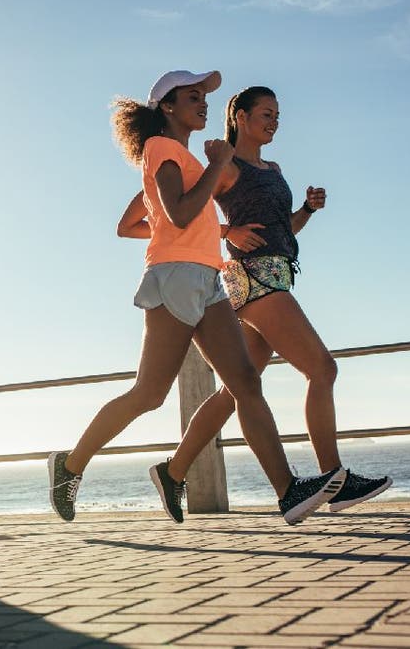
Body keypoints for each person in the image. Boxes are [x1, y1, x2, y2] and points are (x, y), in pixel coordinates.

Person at [47, 70, 346, 526]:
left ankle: (288, 491)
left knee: (245, 382)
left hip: (209, 278)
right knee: (149, 394)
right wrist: (215, 166)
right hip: (174, 277)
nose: (204, 103)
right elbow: (181, 214)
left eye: (205, 96)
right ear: (167, 107)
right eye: (193, 97)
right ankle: (69, 465)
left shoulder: (184, 157)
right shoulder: (161, 150)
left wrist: (218, 211)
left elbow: (170, 218)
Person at [117, 86, 391, 511]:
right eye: (265, 113)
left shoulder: (273, 168)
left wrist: (307, 211)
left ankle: (173, 472)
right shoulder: (223, 165)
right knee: (322, 368)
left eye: (278, 115)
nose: (274, 121)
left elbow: (282, 232)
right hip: (254, 280)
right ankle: (335, 479)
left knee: (236, 389)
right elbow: (167, 211)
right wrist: (228, 233)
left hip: (276, 271)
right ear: (240, 117)